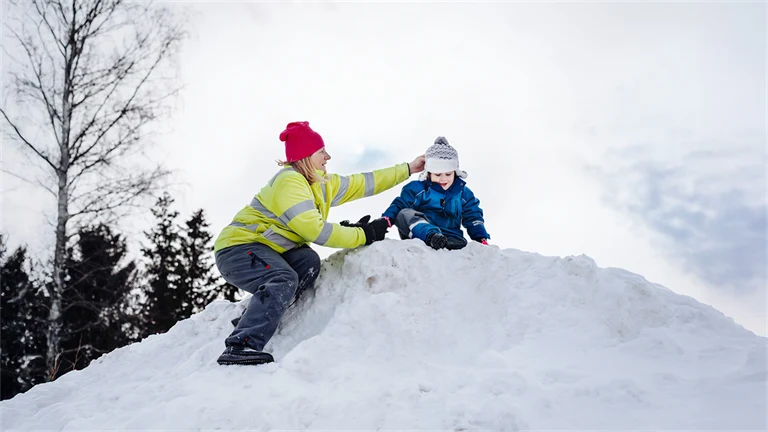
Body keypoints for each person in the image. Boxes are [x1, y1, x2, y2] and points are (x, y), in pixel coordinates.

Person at [213, 121, 425, 365]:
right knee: (283, 278)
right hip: (238, 249)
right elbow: (316, 231)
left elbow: (365, 182)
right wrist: (364, 234)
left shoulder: (321, 183)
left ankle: (258, 314)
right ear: (305, 156)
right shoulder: (289, 182)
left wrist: (409, 168)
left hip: (269, 249)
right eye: (321, 152)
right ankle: (241, 346)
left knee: (308, 261)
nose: (328, 156)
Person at [382, 136, 489, 250]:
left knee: (470, 217)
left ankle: (444, 241)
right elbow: (400, 205)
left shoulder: (462, 193)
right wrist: (385, 220)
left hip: (452, 239)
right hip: (421, 235)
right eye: (438, 175)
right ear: (429, 174)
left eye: (448, 174)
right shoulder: (418, 189)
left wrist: (480, 237)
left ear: (455, 172)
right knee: (403, 213)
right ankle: (432, 237)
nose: (443, 179)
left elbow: (473, 215)